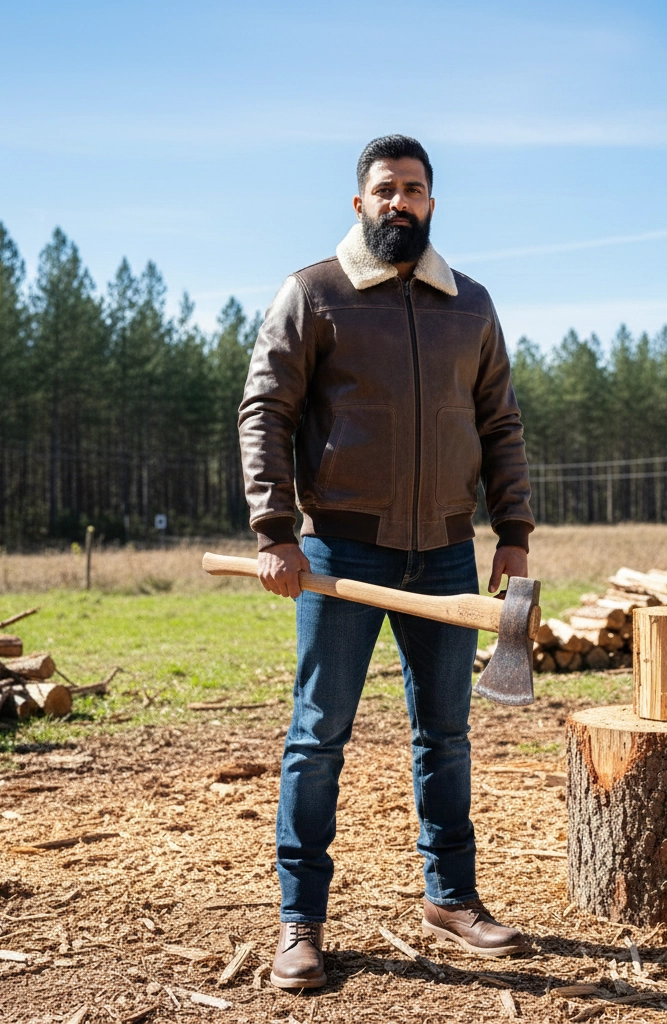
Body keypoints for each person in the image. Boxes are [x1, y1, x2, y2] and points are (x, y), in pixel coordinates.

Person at [239, 134, 534, 990]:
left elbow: (500, 424)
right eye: (384, 189)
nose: (399, 201)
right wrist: (275, 529)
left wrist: (511, 530)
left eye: (414, 189)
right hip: (340, 549)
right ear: (359, 202)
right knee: (317, 735)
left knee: (444, 734)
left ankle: (451, 897)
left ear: (432, 204)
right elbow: (266, 410)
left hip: (446, 549)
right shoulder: (314, 294)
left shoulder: (470, 305)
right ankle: (301, 921)